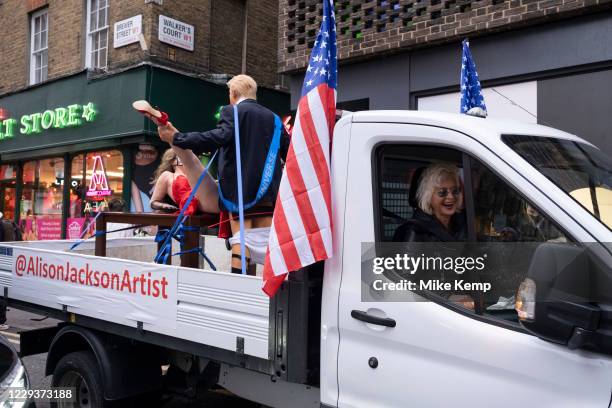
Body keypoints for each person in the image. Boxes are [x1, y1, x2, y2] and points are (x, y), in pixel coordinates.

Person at [157, 75, 289, 275]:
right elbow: (291, 154)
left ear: (233, 93)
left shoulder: (232, 111)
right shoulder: (274, 119)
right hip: (269, 195)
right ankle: (276, 289)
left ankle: (238, 284)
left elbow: (217, 137)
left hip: (239, 194)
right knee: (270, 244)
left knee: (241, 241)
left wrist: (177, 137)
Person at [393, 163, 466, 242]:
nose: (451, 197)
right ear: (428, 196)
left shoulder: (464, 224)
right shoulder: (416, 232)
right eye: (442, 192)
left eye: (455, 191)